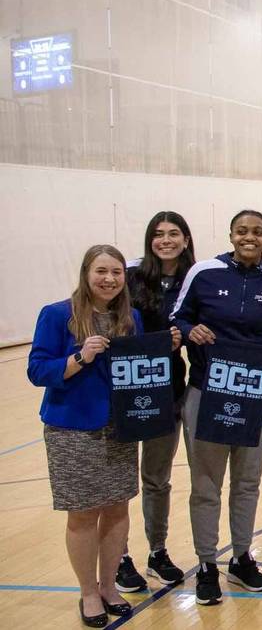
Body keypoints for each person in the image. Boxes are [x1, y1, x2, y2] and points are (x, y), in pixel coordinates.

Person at [28, 245, 173, 627]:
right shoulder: (58, 314)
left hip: (121, 427)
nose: (108, 279)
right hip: (73, 428)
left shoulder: (132, 318)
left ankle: (109, 586)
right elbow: (38, 370)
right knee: (82, 513)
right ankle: (88, 592)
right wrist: (79, 358)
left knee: (117, 508)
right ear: (86, 273)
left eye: (116, 273)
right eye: (101, 271)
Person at [172, 210, 262, 606]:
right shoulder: (204, 273)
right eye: (242, 231)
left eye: (257, 232)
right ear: (231, 234)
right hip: (206, 391)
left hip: (255, 393)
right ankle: (207, 563)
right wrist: (192, 331)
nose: (249, 237)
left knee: (247, 481)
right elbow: (178, 316)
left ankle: (241, 557)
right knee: (206, 484)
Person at [115, 212, 195, 592]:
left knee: (156, 479)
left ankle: (157, 551)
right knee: (119, 480)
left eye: (173, 233)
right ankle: (119, 556)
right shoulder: (131, 278)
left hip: (170, 390)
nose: (166, 240)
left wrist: (185, 338)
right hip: (128, 390)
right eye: (158, 234)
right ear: (150, 239)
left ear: (185, 238)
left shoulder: (196, 277)